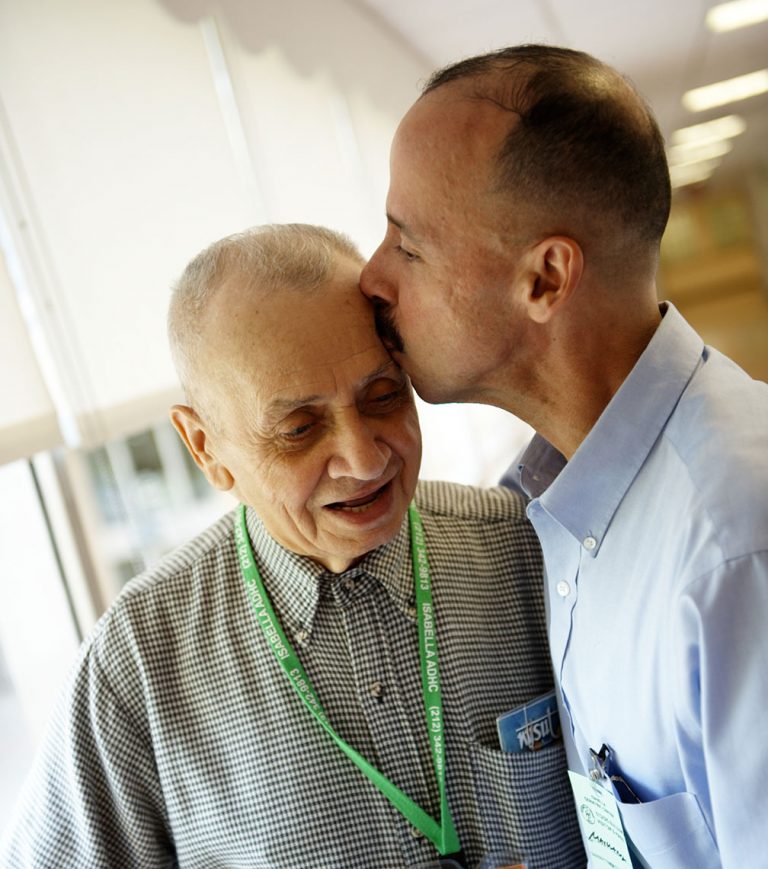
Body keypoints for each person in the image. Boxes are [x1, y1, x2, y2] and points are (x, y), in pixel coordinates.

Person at [1, 224, 585, 868]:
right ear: (206, 451)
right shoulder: (139, 665)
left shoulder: (528, 553)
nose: (363, 461)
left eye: (383, 396)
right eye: (299, 429)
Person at [360, 44, 768, 868]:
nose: (371, 277)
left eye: (407, 246)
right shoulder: (563, 508)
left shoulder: (735, 549)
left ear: (545, 279)